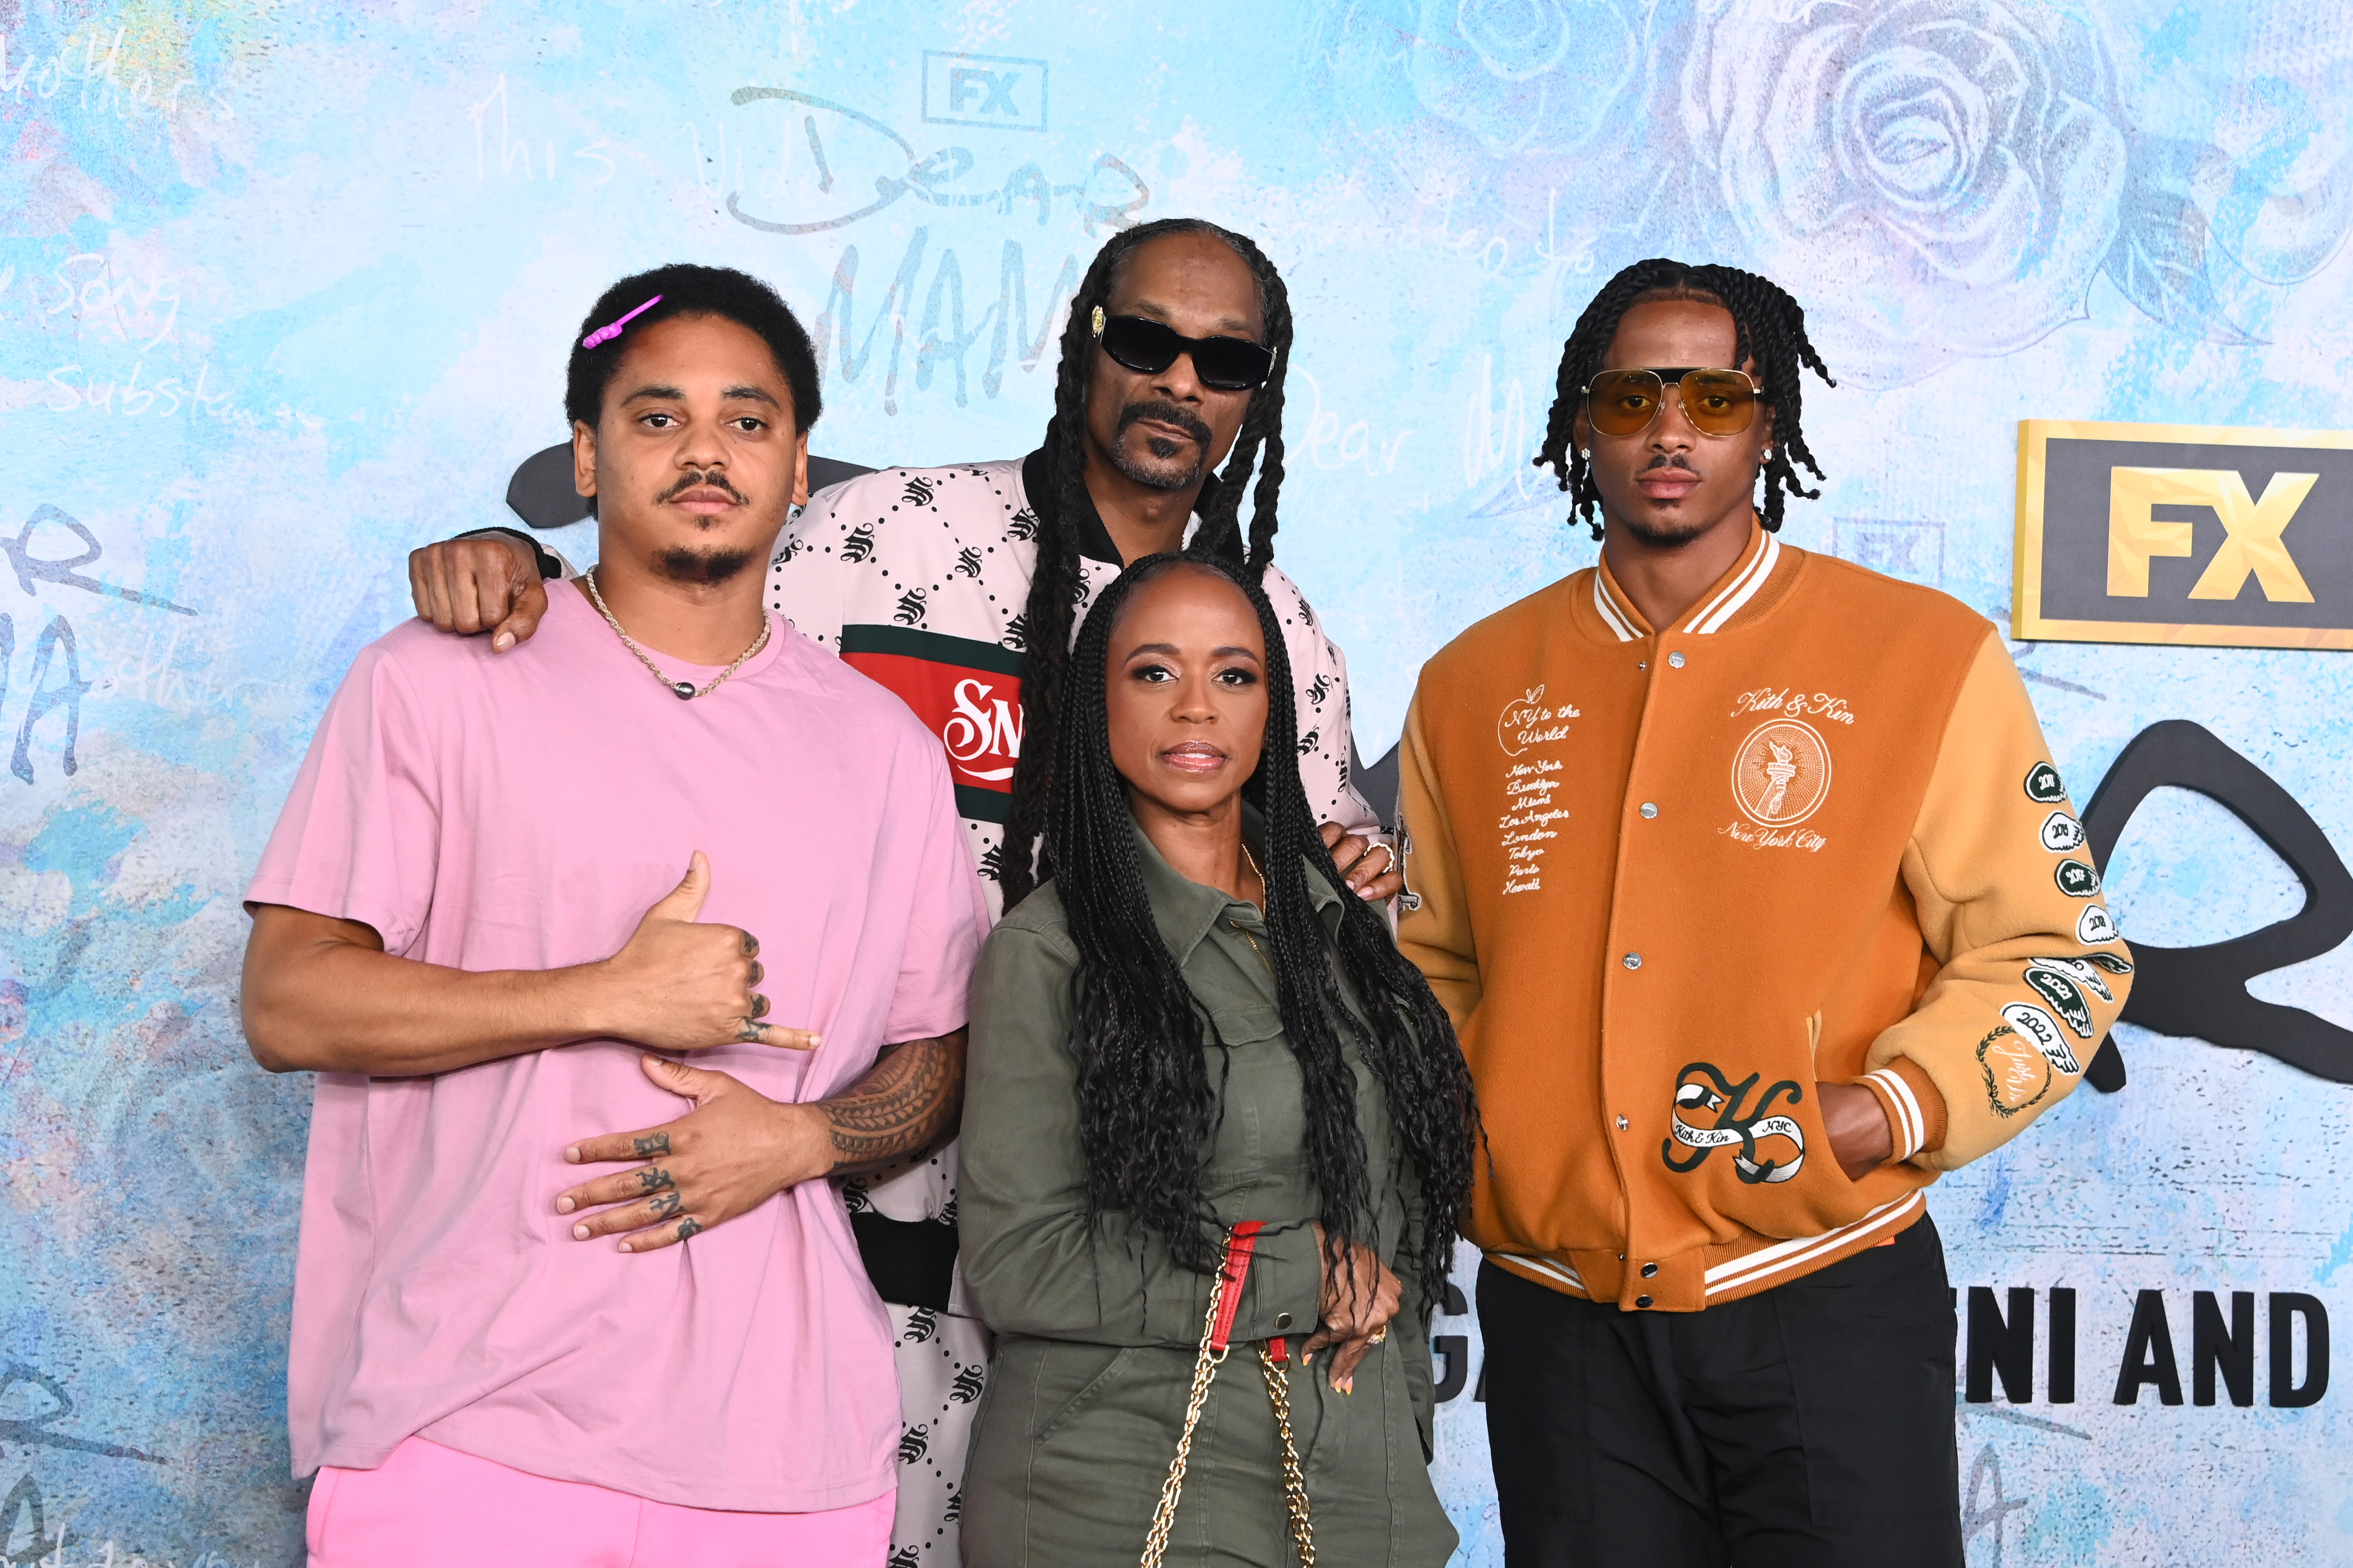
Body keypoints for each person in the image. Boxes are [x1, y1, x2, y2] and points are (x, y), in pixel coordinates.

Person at [401, 218, 1401, 1565]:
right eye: (1148, 338)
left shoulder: (1274, 633)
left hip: (1125, 1269)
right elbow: (675, 627)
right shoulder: (885, 536)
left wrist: (1351, 875)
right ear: (1083, 340)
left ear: (1258, 392)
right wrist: (511, 565)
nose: (1180, 379)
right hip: (835, 1212)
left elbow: (1322, 909)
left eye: (1224, 360)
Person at [241, 264, 988, 1566]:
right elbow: (287, 997)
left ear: (799, 467)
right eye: (658, 416)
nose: (707, 448)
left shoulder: (883, 750)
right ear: (586, 457)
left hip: (788, 1457)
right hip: (465, 1425)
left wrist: (807, 1135)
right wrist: (604, 990)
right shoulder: (433, 679)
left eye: (748, 420)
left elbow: (938, 1053)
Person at [1394, 258, 2134, 1566]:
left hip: (1820, 1294)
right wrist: (1488, 1145)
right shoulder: (1472, 683)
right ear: (1581, 424)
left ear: (1768, 424)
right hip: (1558, 1319)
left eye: (1713, 398)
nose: (1669, 431)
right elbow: (1435, 967)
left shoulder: (1919, 654)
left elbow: (2056, 949)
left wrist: (1887, 1106)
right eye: (1629, 398)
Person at [959, 553, 1477, 1567]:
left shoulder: (1347, 936)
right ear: (1094, 706)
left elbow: (1400, 1222)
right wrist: (1297, 1271)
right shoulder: (1050, 949)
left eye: (1233, 675)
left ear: (1273, 709)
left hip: (1358, 1485)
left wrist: (1404, 1425)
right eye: (1153, 673)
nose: (1196, 708)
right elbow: (1018, 1263)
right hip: (1125, 1480)